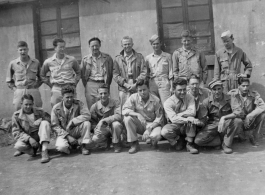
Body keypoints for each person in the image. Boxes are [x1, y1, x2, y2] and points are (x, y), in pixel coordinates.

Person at [194, 80, 241, 154]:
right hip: (213, 125)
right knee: (198, 141)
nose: (217, 92)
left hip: (226, 123)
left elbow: (238, 111)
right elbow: (202, 118)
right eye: (214, 89)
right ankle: (219, 141)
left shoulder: (230, 98)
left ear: (222, 89)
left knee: (237, 121)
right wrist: (198, 122)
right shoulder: (206, 101)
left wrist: (224, 117)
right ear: (211, 91)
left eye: (219, 89)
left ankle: (226, 145)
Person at [122, 79, 163, 154]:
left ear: (148, 89)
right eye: (140, 90)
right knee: (127, 118)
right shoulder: (133, 97)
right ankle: (134, 144)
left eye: (144, 90)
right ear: (137, 90)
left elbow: (159, 118)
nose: (142, 92)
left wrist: (149, 129)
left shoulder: (156, 100)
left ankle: (152, 141)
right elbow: (124, 110)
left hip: (152, 124)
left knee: (156, 136)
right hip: (140, 124)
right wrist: (138, 114)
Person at [51, 85, 92, 155]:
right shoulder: (56, 108)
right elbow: (55, 126)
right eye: (67, 97)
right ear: (62, 97)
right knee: (61, 147)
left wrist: (73, 121)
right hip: (63, 133)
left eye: (71, 97)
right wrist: (67, 136)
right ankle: (72, 145)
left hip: (75, 130)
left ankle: (83, 145)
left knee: (86, 123)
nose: (70, 99)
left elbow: (87, 115)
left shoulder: (79, 103)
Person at [161, 78, 198, 154]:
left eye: (184, 89)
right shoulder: (168, 102)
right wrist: (186, 118)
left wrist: (178, 115)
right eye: (179, 90)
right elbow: (174, 120)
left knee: (191, 119)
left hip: (187, 126)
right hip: (175, 125)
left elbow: (192, 112)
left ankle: (189, 144)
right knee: (165, 132)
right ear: (174, 89)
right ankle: (179, 140)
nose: (183, 92)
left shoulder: (190, 97)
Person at [41, 38, 80, 107]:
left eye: (63, 47)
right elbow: (42, 75)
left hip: (69, 87)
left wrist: (75, 83)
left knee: (73, 108)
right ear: (55, 48)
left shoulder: (72, 59)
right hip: (57, 88)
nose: (62, 49)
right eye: (60, 47)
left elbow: (78, 72)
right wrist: (51, 85)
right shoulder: (48, 62)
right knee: (56, 108)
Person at [12, 94, 51, 163]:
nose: (28, 107)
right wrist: (29, 139)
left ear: (33, 104)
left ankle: (44, 150)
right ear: (21, 104)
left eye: (30, 104)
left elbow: (50, 122)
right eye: (26, 104)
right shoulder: (16, 116)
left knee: (45, 123)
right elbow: (16, 132)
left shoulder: (40, 111)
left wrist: (41, 120)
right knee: (18, 146)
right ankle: (33, 150)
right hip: (28, 137)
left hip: (39, 136)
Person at [6, 41, 43, 111]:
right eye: (21, 50)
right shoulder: (13, 63)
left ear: (28, 49)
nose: (23, 52)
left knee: (37, 110)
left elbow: (41, 77)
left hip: (33, 90)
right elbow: (8, 80)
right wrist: (15, 89)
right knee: (18, 110)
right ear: (17, 51)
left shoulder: (36, 62)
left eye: (24, 49)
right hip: (20, 90)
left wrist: (35, 86)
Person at [228, 77, 265, 146]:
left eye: (247, 86)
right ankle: (235, 137)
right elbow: (235, 110)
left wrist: (249, 116)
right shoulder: (232, 94)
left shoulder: (253, 94)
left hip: (249, 120)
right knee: (237, 122)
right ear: (238, 86)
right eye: (243, 86)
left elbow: (262, 106)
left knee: (263, 115)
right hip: (238, 119)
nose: (245, 88)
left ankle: (254, 137)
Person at [113, 36, 147, 108]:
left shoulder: (139, 57)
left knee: (138, 108)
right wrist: (125, 85)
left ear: (132, 44)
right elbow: (115, 75)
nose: (127, 46)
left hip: (137, 87)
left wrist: (135, 84)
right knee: (125, 108)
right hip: (124, 88)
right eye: (125, 44)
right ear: (122, 45)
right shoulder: (117, 59)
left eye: (129, 44)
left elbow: (144, 72)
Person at [80, 37, 113, 109]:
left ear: (100, 45)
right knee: (91, 107)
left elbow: (110, 74)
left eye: (96, 45)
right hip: (90, 85)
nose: (95, 48)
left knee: (104, 106)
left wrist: (106, 85)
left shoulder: (107, 58)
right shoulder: (85, 59)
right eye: (92, 46)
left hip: (103, 84)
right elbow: (82, 75)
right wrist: (87, 85)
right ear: (89, 47)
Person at [90, 84, 123, 153]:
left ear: (109, 94)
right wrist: (94, 130)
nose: (103, 95)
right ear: (98, 94)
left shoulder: (115, 102)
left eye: (105, 93)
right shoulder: (94, 106)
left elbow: (119, 116)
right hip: (103, 128)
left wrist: (104, 120)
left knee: (116, 124)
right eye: (101, 93)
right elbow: (92, 122)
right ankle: (106, 142)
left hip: (113, 128)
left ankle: (116, 143)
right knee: (95, 138)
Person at [146, 34, 173, 106]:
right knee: (155, 105)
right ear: (151, 45)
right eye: (154, 44)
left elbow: (171, 73)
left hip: (164, 82)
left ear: (160, 43)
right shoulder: (148, 58)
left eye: (157, 43)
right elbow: (146, 74)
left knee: (167, 105)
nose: (156, 46)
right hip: (153, 84)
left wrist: (172, 87)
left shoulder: (167, 56)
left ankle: (167, 117)